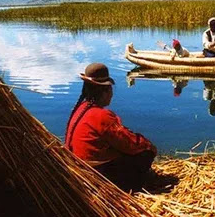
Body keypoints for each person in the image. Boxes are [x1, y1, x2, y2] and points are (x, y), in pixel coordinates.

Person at [65, 63, 157, 192]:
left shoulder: (80, 109)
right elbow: (129, 143)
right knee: (145, 154)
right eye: (110, 90)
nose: (111, 94)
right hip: (96, 175)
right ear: (105, 92)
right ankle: (134, 186)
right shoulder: (102, 116)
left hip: (79, 168)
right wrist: (149, 147)